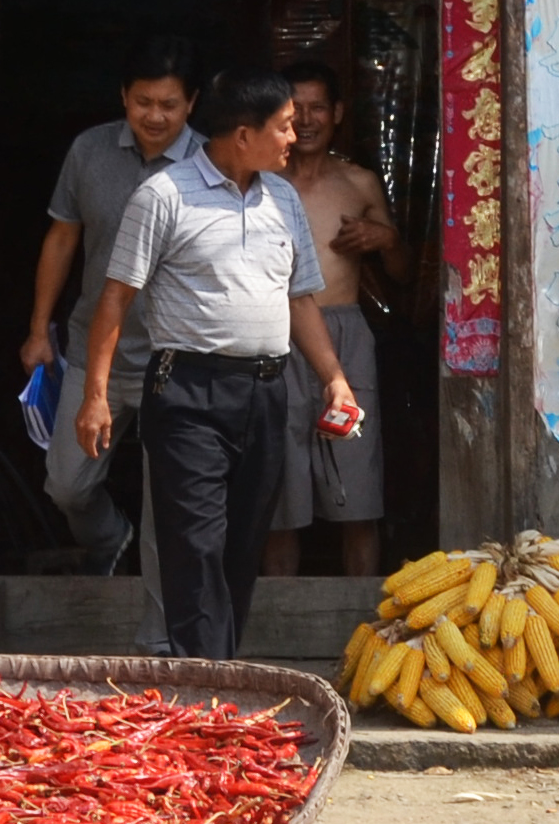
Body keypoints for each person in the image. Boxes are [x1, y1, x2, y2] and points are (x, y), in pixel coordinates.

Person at [80, 68, 364, 660]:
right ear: (243, 134)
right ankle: (203, 679)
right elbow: (116, 297)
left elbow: (300, 298)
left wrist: (334, 379)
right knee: (196, 542)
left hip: (266, 391)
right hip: (187, 391)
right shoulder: (163, 195)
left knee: (242, 543)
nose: (295, 137)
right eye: (284, 127)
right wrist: (96, 394)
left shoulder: (281, 196)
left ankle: (218, 672)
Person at [23, 39, 201, 581]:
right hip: (93, 349)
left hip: (179, 359)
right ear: (124, 96)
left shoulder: (213, 163)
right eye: (143, 101)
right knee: (67, 484)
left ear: (191, 103)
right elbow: (61, 239)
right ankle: (108, 537)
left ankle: (161, 606)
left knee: (170, 494)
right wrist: (37, 330)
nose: (155, 115)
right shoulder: (90, 151)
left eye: (169, 104)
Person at [261, 59, 401, 578]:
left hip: (345, 333)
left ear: (338, 112)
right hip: (274, 335)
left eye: (319, 106)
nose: (309, 119)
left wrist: (385, 239)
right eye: (297, 110)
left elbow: (403, 272)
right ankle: (280, 621)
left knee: (357, 485)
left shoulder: (358, 182)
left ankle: (362, 619)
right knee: (280, 494)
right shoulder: (262, 181)